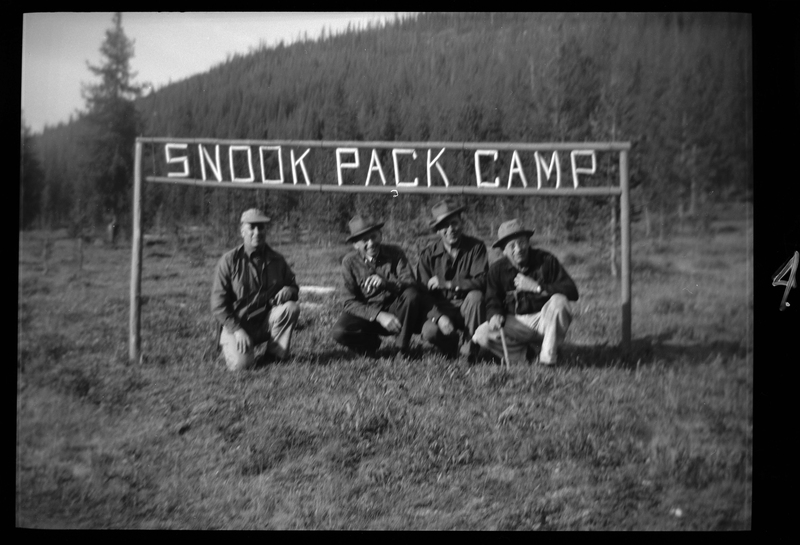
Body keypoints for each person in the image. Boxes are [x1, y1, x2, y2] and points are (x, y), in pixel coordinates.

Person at [472, 219, 578, 366]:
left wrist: (537, 288)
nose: (518, 249)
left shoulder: (546, 260)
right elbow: (492, 299)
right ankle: (528, 355)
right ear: (503, 250)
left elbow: (572, 291)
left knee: (560, 301)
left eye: (521, 242)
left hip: (544, 320)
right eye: (512, 246)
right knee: (481, 334)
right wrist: (495, 314)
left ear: (528, 242)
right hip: (516, 322)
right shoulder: (497, 270)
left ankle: (548, 360)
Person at [210, 208, 301, 371]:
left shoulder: (277, 260)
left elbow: (294, 287)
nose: (257, 232)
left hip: (264, 322)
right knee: (242, 365)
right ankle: (230, 348)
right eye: (252, 227)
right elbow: (218, 306)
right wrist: (237, 330)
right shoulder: (229, 261)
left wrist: (289, 290)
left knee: (290, 308)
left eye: (261, 227)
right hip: (238, 326)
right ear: (242, 231)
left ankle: (274, 356)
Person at [330, 215, 427, 357]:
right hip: (368, 314)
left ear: (380, 236)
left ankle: (402, 347)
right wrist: (379, 316)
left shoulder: (395, 252)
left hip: (397, 311)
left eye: (373, 237)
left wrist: (387, 284)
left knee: (411, 294)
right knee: (340, 331)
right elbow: (348, 301)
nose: (370, 243)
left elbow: (410, 281)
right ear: (355, 244)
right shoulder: (349, 262)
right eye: (364, 240)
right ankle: (371, 344)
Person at [417, 200, 487, 360]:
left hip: (469, 308)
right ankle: (451, 345)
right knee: (429, 331)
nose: (450, 230)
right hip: (442, 309)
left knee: (476, 296)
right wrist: (438, 317)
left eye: (454, 223)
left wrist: (449, 284)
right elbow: (422, 294)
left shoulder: (476, 247)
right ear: (437, 230)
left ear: (461, 223)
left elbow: (482, 281)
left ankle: (470, 350)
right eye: (444, 226)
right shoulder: (428, 255)